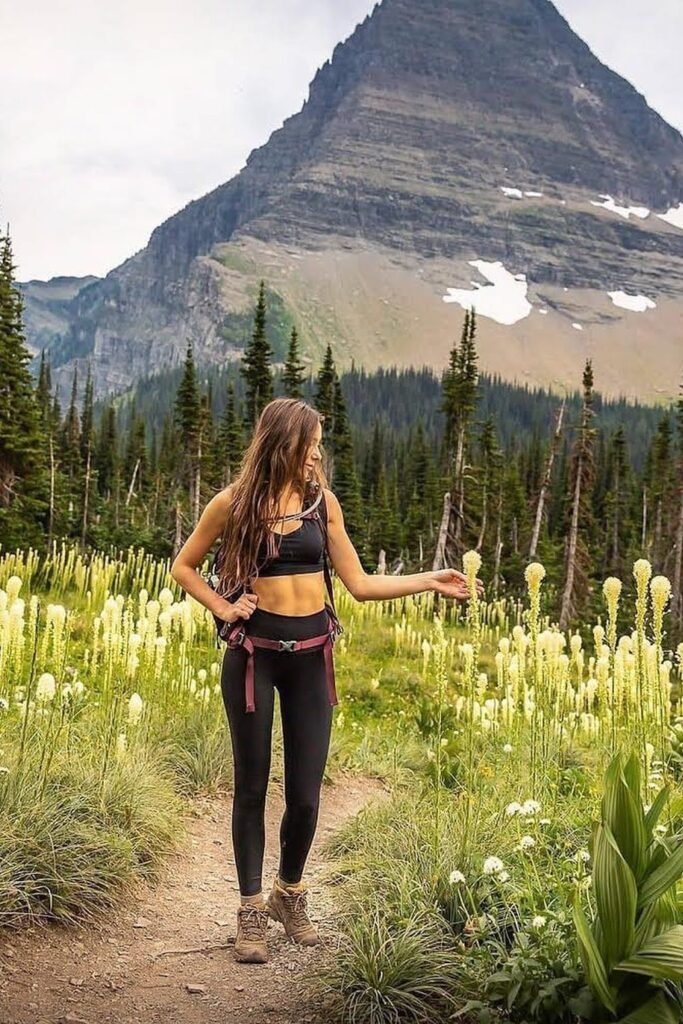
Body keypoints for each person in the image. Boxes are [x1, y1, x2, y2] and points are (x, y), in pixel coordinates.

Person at [170, 397, 483, 964]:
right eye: (311, 440)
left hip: (313, 657)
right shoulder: (233, 504)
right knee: (251, 787)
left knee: (307, 796)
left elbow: (359, 584)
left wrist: (430, 581)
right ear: (284, 442)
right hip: (253, 658)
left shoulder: (323, 505)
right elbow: (184, 566)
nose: (318, 450)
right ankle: (249, 910)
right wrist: (223, 606)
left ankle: (289, 895)